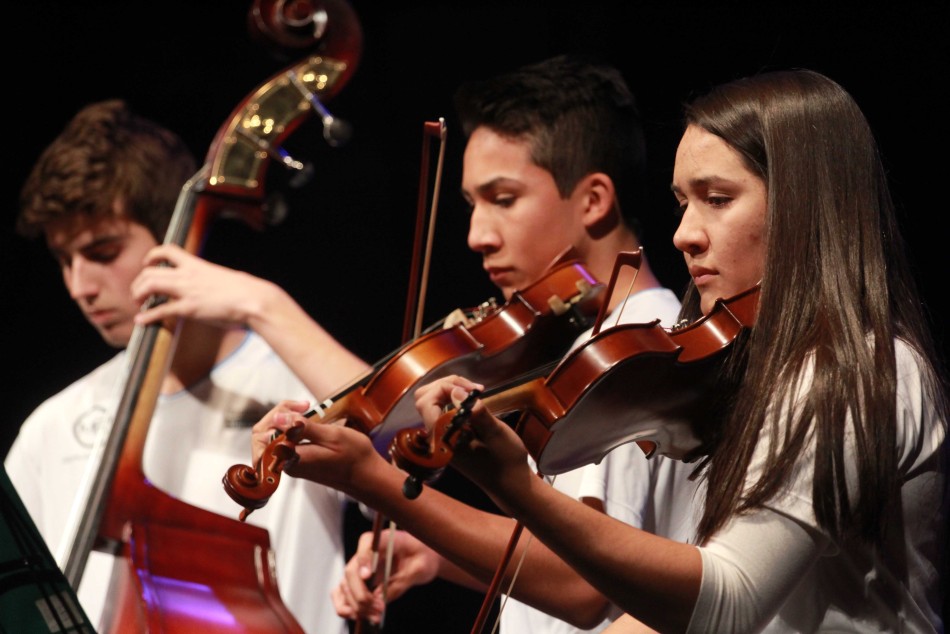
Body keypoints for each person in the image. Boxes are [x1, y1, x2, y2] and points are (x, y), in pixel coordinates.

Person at [401, 69, 948, 632]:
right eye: (683, 203)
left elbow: (729, 603)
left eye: (716, 199)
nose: (684, 232)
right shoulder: (752, 370)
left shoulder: (849, 369)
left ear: (805, 205)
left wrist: (513, 483)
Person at [233, 55, 702, 632]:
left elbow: (579, 589)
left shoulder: (628, 352)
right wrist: (441, 557)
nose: (477, 236)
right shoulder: (605, 340)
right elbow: (609, 573)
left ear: (594, 200)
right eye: (470, 205)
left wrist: (374, 480)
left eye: (502, 199)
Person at [4, 99, 358, 634]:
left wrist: (262, 306)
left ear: (176, 238)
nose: (80, 287)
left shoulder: (299, 381)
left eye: (102, 252)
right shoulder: (52, 426)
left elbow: (415, 444)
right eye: (64, 260)